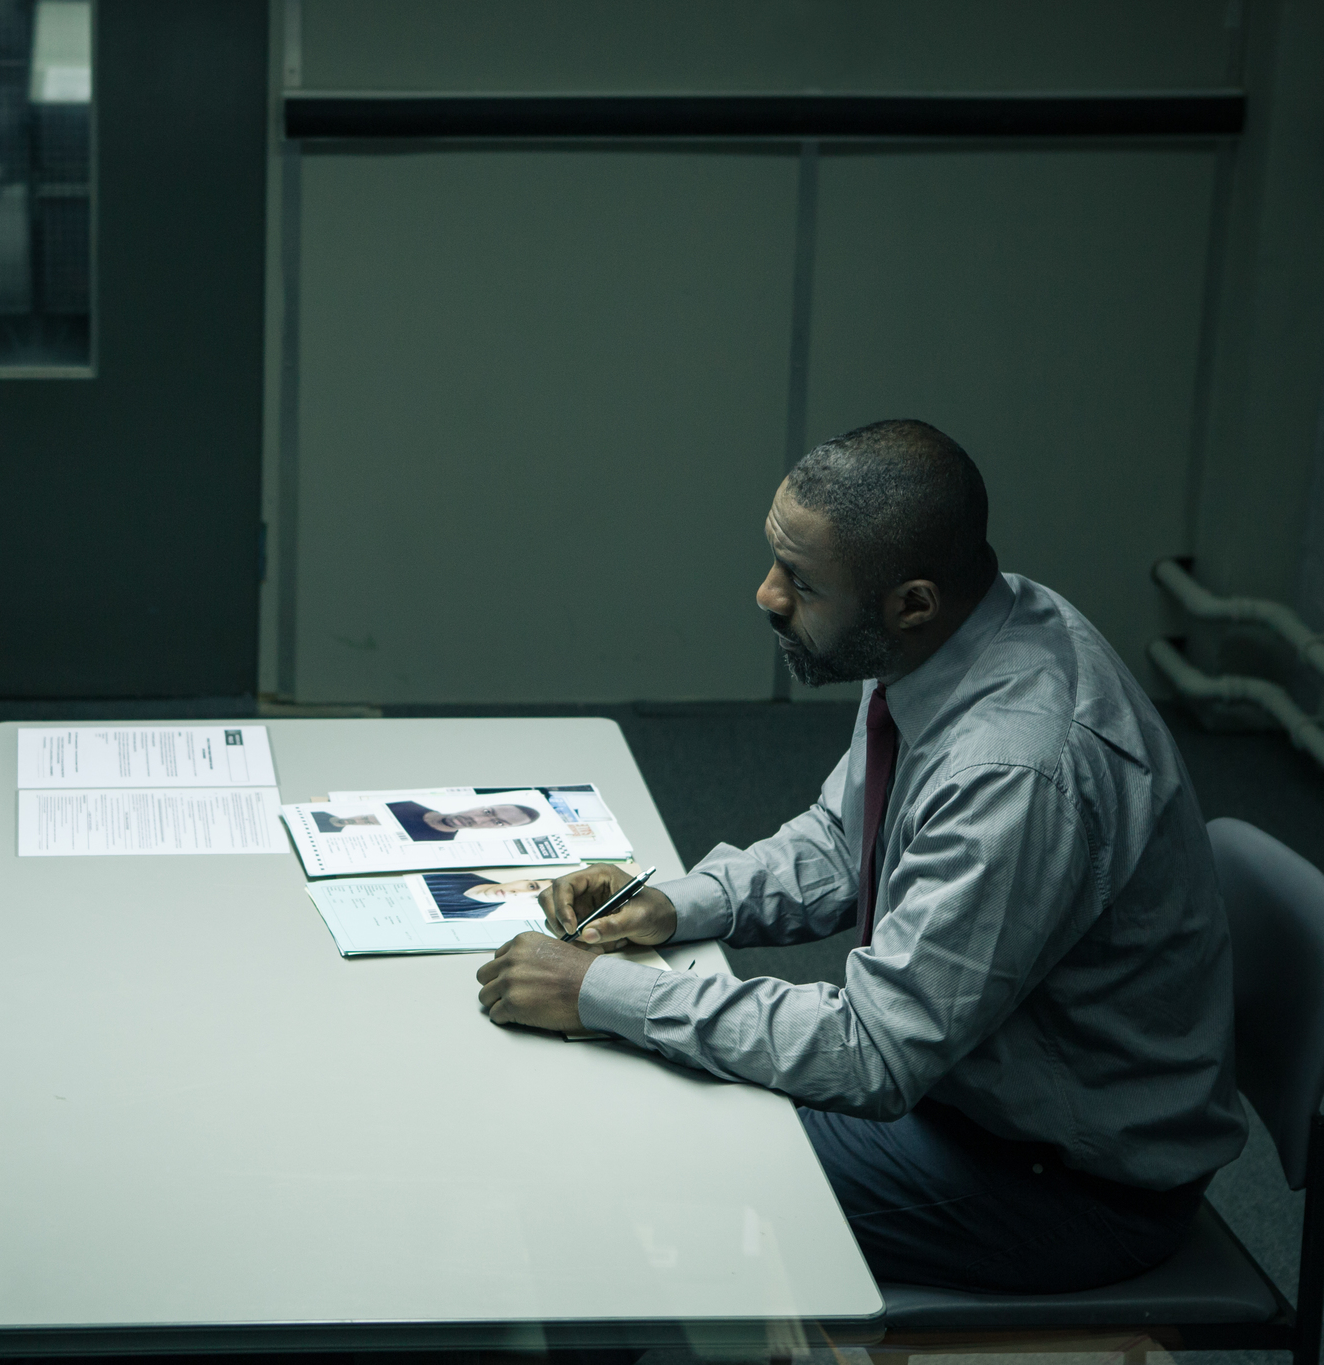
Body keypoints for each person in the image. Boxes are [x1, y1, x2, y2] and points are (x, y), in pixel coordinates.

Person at [476, 419, 1244, 1295]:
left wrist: (596, 990)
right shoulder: (952, 636)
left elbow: (874, 1053)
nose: (765, 595)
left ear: (911, 600)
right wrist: (681, 904)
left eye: (799, 582)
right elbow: (850, 842)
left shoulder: (1016, 769)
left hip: (1057, 1184)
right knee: (630, 1091)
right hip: (973, 1095)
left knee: (634, 1175)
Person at [386, 800, 541, 842]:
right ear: (480, 805)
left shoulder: (438, 846)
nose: (476, 818)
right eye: (487, 812)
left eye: (498, 823)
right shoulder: (406, 804)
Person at [421, 874, 554, 919]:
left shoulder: (472, 916)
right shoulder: (460, 872)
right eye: (531, 886)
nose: (518, 893)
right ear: (524, 880)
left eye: (535, 898)